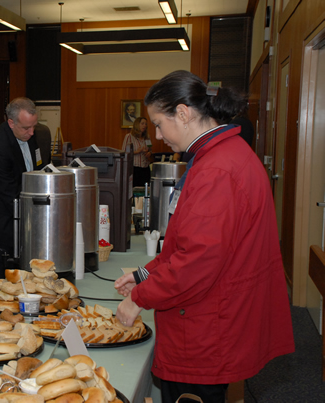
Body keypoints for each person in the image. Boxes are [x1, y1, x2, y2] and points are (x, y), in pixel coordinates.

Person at [114, 71, 294, 403]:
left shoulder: (216, 170)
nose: (156, 135)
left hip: (206, 328)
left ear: (182, 114)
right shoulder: (223, 154)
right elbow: (188, 244)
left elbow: (195, 263)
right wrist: (143, 275)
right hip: (216, 316)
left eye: (158, 123)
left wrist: (138, 298)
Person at [0, 97, 44, 281]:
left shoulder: (28, 133)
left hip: (24, 215)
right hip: (3, 221)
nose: (31, 132)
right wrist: (36, 213)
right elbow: (8, 192)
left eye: (34, 126)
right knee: (5, 279)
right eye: (26, 128)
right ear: (11, 122)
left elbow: (36, 166)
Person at [122, 117, 152, 187]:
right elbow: (124, 152)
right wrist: (137, 151)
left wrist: (149, 153)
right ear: (137, 125)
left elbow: (150, 150)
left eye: (146, 124)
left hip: (145, 168)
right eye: (142, 123)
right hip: (134, 168)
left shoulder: (147, 137)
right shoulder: (129, 137)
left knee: (145, 189)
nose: (144, 125)